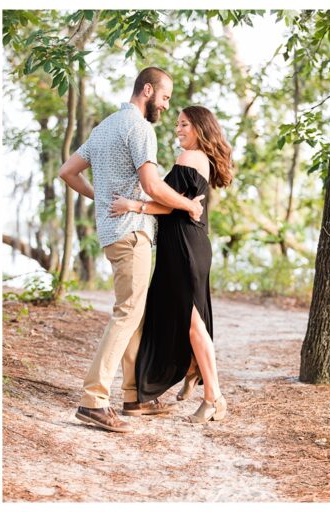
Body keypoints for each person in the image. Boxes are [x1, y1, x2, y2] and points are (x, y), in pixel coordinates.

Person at [58, 67, 205, 433]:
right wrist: (189, 206)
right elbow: (153, 186)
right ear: (149, 90)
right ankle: (93, 400)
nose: (167, 107)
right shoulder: (140, 128)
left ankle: (134, 396)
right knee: (127, 313)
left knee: (133, 313)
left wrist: (102, 197)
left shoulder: (105, 127)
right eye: (166, 98)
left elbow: (68, 171)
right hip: (133, 232)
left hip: (112, 234)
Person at [110, 105, 233, 423]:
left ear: (200, 128)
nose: (178, 129)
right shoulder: (199, 158)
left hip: (185, 247)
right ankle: (193, 369)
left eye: (185, 125)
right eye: (177, 124)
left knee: (192, 322)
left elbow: (170, 205)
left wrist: (132, 206)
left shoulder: (190, 158)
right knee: (185, 318)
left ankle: (214, 398)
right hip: (186, 245)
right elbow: (178, 204)